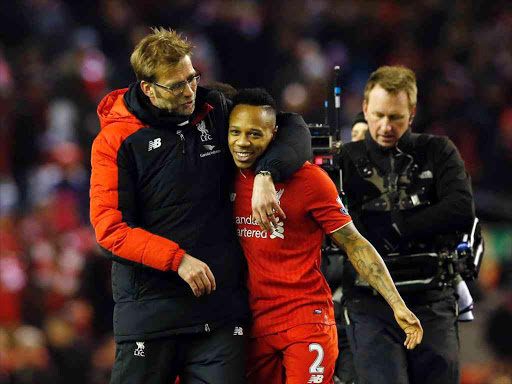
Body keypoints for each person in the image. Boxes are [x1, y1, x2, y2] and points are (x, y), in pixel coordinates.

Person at [89, 27, 312, 384]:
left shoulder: (216, 110)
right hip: (151, 316)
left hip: (220, 316)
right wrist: (177, 260)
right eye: (177, 86)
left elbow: (292, 128)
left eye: (192, 78)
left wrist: (266, 175)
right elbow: (109, 231)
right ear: (148, 89)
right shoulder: (115, 141)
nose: (190, 91)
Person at [228, 88, 423, 384]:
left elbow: (354, 243)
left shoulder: (311, 181)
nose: (242, 142)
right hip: (251, 325)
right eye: (235, 132)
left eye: (254, 134)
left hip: (305, 319)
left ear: (274, 134)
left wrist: (396, 303)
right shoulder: (222, 175)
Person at [338, 65, 476, 384]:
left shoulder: (439, 151)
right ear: (364, 110)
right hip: (370, 302)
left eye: (396, 117)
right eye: (378, 115)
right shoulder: (345, 159)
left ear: (412, 113)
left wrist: (397, 228)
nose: (386, 126)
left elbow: (460, 210)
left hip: (431, 297)